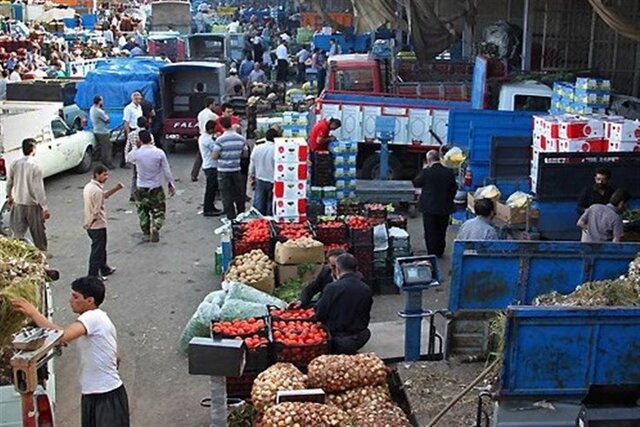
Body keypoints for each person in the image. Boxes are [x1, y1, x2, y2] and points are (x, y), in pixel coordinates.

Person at [12, 277, 130, 427]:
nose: (70, 300)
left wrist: (33, 313)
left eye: (75, 297)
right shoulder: (99, 319)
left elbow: (61, 337)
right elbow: (115, 355)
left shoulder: (92, 317)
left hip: (106, 396)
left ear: (90, 301)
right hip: (94, 394)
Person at [315, 253, 373, 354]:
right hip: (360, 337)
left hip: (336, 339)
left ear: (337, 269)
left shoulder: (332, 288)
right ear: (356, 269)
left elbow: (320, 314)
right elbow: (366, 314)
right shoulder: (366, 289)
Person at [126, 130, 176, 242]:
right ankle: (156, 226)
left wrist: (135, 147)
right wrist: (170, 184)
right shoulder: (159, 153)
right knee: (159, 210)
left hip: (141, 186)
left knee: (142, 211)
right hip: (156, 186)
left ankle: (146, 231)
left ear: (140, 140)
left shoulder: (137, 153)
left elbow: (128, 159)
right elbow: (166, 170)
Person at [6, 138, 50, 251]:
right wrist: (44, 207)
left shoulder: (15, 164)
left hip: (18, 202)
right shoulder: (35, 166)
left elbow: (9, 182)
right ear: (33, 149)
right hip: (32, 204)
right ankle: (42, 252)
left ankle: (19, 252)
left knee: (17, 233)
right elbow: (38, 189)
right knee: (38, 232)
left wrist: (9, 196)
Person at [412, 150, 457, 257]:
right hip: (445, 207)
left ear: (429, 160)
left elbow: (416, 182)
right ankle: (440, 251)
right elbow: (453, 188)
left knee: (430, 231)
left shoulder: (427, 172)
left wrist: (423, 169)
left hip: (429, 207)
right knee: (442, 230)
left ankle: (432, 253)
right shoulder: (448, 172)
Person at [83, 165, 124, 278]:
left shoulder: (89, 187)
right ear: (97, 175)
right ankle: (93, 275)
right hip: (97, 225)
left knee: (101, 248)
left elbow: (103, 196)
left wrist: (116, 188)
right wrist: (90, 223)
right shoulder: (97, 190)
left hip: (92, 224)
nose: (106, 177)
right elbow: (96, 211)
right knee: (97, 252)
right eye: (104, 175)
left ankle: (104, 268)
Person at [212, 116, 248, 219]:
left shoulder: (220, 140)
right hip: (236, 169)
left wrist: (224, 156)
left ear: (222, 126)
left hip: (223, 170)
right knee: (238, 192)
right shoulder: (240, 138)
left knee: (226, 194)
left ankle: (231, 216)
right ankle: (241, 214)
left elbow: (214, 156)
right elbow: (245, 154)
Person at [125, 116, 153, 201]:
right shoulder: (149, 135)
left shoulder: (131, 134)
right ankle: (146, 194)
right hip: (146, 158)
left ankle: (133, 194)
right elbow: (152, 146)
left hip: (135, 158)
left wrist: (127, 158)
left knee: (135, 176)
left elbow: (127, 147)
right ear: (146, 124)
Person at [249, 128, 276, 215]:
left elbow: (252, 162)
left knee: (259, 203)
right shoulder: (276, 150)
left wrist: (251, 175)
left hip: (260, 178)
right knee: (271, 204)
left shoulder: (257, 148)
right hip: (273, 180)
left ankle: (258, 220)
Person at [192, 98, 220, 182]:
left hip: (201, 135)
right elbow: (219, 120)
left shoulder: (200, 113)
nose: (215, 106)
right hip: (209, 135)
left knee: (200, 156)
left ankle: (194, 174)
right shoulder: (212, 115)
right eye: (214, 104)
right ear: (210, 105)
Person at [199, 120, 222, 216]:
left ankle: (211, 206)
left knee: (212, 188)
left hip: (208, 164)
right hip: (211, 166)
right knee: (211, 189)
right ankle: (208, 209)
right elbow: (216, 149)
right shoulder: (208, 140)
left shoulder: (203, 137)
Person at [90, 95, 114, 169]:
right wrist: (106, 115)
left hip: (96, 130)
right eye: (102, 100)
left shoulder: (92, 108)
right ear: (99, 101)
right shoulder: (99, 111)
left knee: (99, 146)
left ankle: (96, 158)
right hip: (102, 131)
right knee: (107, 147)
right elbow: (107, 120)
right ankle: (107, 162)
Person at [122, 91, 143, 167]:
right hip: (131, 129)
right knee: (128, 147)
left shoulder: (139, 107)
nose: (139, 100)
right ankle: (124, 162)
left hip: (138, 129)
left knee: (136, 147)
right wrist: (128, 133)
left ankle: (135, 162)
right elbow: (126, 121)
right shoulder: (128, 108)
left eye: (140, 98)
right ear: (134, 99)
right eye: (138, 98)